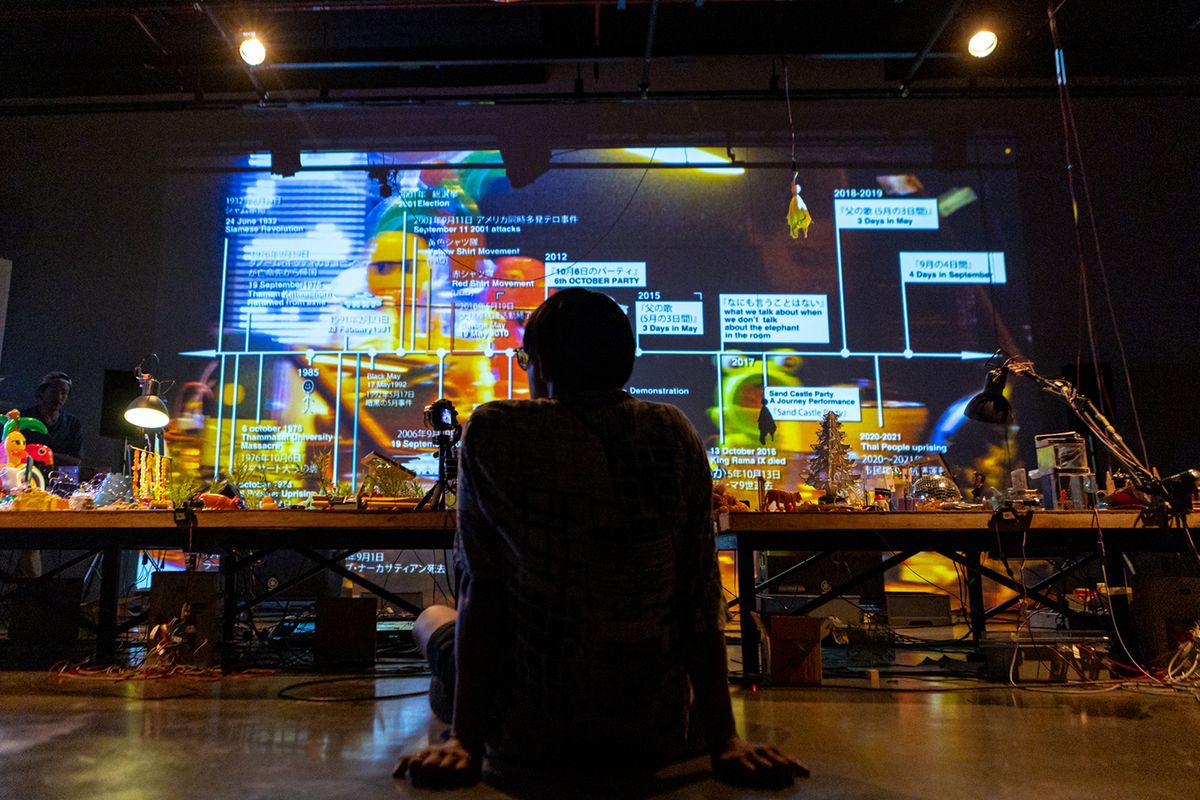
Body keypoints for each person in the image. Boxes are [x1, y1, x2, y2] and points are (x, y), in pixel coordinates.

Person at [394, 288, 806, 790]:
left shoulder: (494, 431)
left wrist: (465, 742)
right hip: (656, 731)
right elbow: (698, 594)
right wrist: (726, 742)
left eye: (524, 359)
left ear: (542, 364)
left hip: (529, 732)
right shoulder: (672, 431)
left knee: (432, 618)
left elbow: (481, 589)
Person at [21, 371, 83, 468]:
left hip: (60, 476)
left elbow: (76, 461)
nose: (58, 397)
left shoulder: (73, 424)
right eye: (54, 392)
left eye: (64, 393)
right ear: (42, 392)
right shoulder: (23, 419)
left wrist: (45, 454)